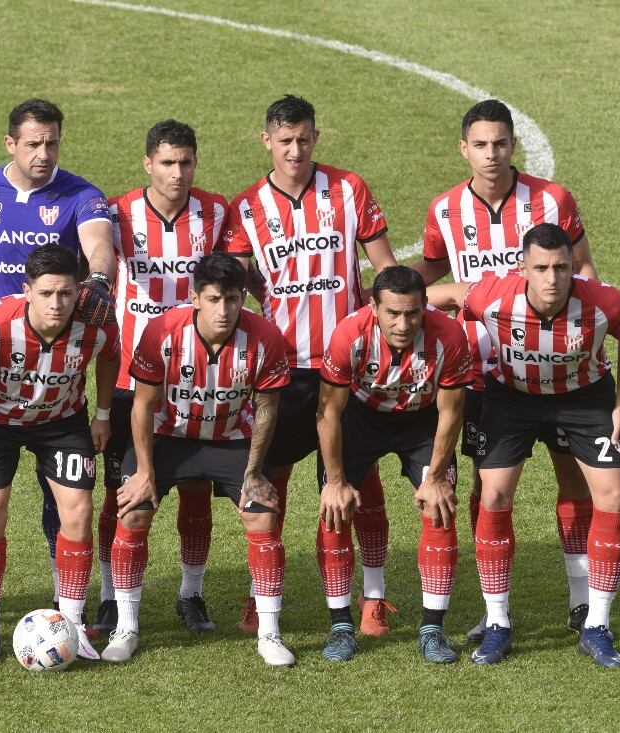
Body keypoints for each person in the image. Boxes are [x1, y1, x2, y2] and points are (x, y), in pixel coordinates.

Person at [0, 98, 116, 637]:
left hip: (58, 373)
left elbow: (99, 245)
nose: (44, 153)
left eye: (52, 142)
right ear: (10, 143)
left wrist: (98, 280)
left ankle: (66, 609)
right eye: (33, 143)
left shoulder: (81, 194)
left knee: (65, 497)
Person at [413, 99, 601, 641]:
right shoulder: (445, 209)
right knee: (488, 486)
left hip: (556, 365)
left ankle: (582, 601)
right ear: (463, 149)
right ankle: (495, 609)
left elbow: (583, 267)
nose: (491, 155)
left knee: (573, 477)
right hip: (483, 373)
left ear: (513, 144)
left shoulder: (552, 199)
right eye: (480, 145)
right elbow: (426, 273)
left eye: (500, 143)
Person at [221, 94, 398, 634]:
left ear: (316, 137)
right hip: (284, 369)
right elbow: (233, 282)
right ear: (266, 141)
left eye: (303, 139)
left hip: (348, 366)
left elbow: (384, 265)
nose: (294, 150)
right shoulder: (247, 206)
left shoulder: (349, 189)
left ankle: (371, 597)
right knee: (269, 482)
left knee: (356, 482)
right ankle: (262, 595)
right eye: (284, 141)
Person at [430, 223, 620, 667]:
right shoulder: (493, 296)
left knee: (613, 496)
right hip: (512, 399)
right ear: (522, 268)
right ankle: (497, 624)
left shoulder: (605, 303)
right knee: (493, 495)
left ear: (573, 267)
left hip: (585, 400)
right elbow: (444, 296)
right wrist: (390, 312)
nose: (552, 279)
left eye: (562, 268)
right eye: (542, 268)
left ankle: (596, 625)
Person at [103, 253, 293, 666]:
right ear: (194, 298)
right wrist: (145, 472)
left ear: (243, 296)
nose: (223, 310)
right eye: (213, 299)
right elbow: (142, 405)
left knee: (262, 514)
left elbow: (266, 409)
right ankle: (126, 627)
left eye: (231, 298)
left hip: (231, 440)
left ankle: (270, 634)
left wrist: (255, 472)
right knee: (133, 509)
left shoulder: (265, 337)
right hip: (169, 439)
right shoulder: (162, 331)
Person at [0, 244, 119, 663]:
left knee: (78, 513)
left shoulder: (95, 322)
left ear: (77, 290)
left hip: (62, 423)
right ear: (27, 291)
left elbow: (110, 358)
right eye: (46, 294)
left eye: (65, 293)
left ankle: (73, 623)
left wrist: (101, 415)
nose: (57, 303)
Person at [94, 119, 228, 635]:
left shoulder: (215, 212)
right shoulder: (116, 212)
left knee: (195, 491)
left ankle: (190, 594)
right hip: (131, 379)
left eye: (186, 162)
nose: (177, 173)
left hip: (198, 380)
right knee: (122, 492)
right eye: (167, 163)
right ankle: (109, 596)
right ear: (148, 163)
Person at [316, 266, 472, 663]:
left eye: (413, 314)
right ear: (374, 307)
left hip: (420, 422)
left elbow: (451, 410)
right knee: (334, 512)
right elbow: (328, 412)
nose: (403, 324)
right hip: (359, 418)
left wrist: (436, 476)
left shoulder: (450, 336)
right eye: (393, 314)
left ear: (425, 308)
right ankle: (341, 626)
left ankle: (433, 629)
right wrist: (335, 481)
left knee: (440, 509)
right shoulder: (348, 335)